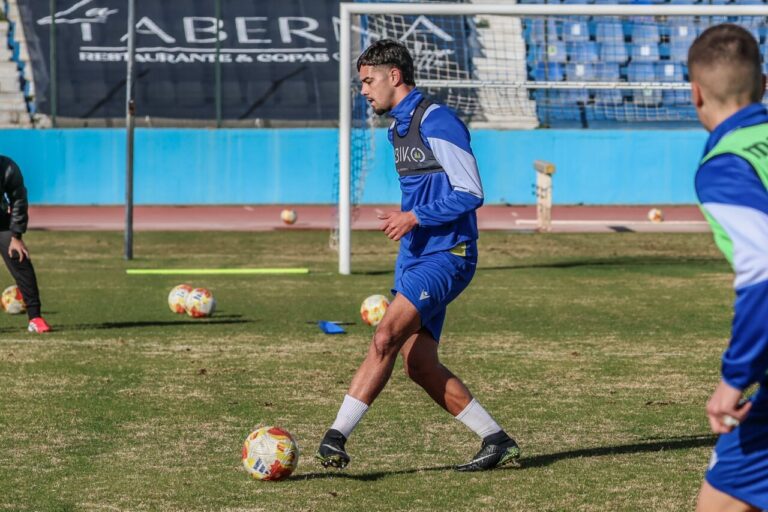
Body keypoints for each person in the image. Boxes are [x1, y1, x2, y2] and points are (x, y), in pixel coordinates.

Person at [316, 40, 519, 472]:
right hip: (415, 256)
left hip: (448, 254)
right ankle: (496, 440)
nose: (363, 90)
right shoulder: (397, 128)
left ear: (394, 76)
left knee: (384, 337)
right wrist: (409, 221)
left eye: (368, 81)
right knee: (419, 365)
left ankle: (335, 437)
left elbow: (471, 192)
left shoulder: (437, 120)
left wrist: (414, 217)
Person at [689, 24, 768, 512]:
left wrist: (734, 379)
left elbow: (763, 272)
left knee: (721, 502)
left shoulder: (726, 165)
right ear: (764, 84)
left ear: (695, 93)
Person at [0, 156, 50, 333]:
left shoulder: (7, 167)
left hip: (1, 223)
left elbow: (18, 199)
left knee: (19, 256)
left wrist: (16, 236)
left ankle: (35, 318)